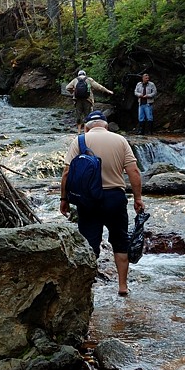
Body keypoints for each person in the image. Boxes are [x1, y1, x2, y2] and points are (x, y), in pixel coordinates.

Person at [59, 110, 145, 296]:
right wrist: (138, 198)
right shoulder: (120, 140)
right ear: (105, 125)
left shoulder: (80, 141)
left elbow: (67, 173)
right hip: (115, 197)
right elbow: (134, 171)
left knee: (90, 243)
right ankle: (122, 286)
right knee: (120, 240)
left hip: (88, 199)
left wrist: (64, 199)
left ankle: (87, 288)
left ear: (88, 126)